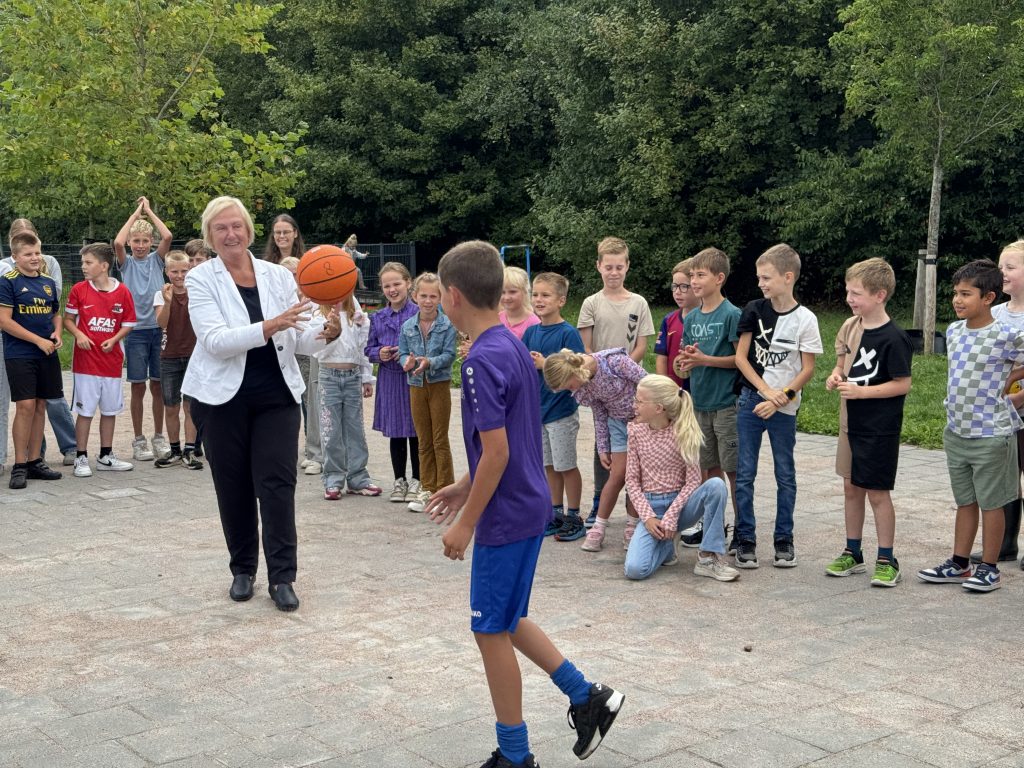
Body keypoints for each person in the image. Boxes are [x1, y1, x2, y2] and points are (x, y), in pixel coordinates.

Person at [426, 240, 623, 768]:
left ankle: (515, 757)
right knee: (509, 618)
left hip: (506, 514)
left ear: (452, 295)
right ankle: (588, 697)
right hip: (527, 502)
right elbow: (506, 440)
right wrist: (465, 486)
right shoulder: (509, 346)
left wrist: (465, 523)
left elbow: (498, 450)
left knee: (488, 628)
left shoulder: (478, 360)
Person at [182, 196, 339, 612]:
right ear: (210, 236)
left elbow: (298, 336)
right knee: (232, 487)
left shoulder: (277, 275)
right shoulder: (201, 279)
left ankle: (283, 576)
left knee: (277, 487)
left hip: (276, 397)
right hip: (220, 398)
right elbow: (214, 341)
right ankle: (242, 569)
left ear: (250, 231)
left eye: (237, 226)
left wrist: (327, 332)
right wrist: (269, 325)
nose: (231, 234)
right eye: (221, 228)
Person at [918, 259, 1024, 593]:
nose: (958, 300)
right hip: (957, 431)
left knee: (992, 503)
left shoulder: (1006, 334)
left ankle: (990, 568)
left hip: (991, 434)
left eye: (966, 294)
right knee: (966, 501)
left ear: (989, 297)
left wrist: (1013, 377)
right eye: (956, 293)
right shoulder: (953, 331)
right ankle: (959, 563)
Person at [824, 258, 912, 586]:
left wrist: (862, 393)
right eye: (848, 291)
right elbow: (841, 366)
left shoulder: (894, 338)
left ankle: (887, 558)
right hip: (850, 423)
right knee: (851, 487)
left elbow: (903, 384)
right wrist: (836, 377)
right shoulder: (850, 326)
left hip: (880, 427)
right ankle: (853, 552)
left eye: (856, 293)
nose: (849, 298)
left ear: (880, 295)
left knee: (877, 492)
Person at [733, 244, 822, 568]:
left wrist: (780, 397)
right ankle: (745, 540)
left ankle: (784, 540)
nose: (761, 283)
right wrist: (765, 391)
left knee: (785, 474)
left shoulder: (806, 320)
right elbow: (742, 358)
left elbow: (807, 368)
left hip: (784, 405)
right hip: (752, 401)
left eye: (766, 277)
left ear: (788, 277)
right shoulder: (754, 310)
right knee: (745, 474)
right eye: (759, 277)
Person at [623, 375, 739, 582]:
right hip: (652, 508)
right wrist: (648, 517)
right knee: (634, 570)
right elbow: (631, 480)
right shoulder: (635, 431)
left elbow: (693, 481)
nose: (634, 405)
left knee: (716, 485)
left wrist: (672, 516)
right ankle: (667, 545)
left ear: (659, 408)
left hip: (682, 506)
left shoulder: (685, 431)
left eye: (639, 401)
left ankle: (707, 557)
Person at [577, 236, 655, 527]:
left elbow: (641, 346)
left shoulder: (639, 303)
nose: (613, 272)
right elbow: (586, 348)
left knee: (636, 449)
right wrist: (604, 373)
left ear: (627, 267)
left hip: (634, 387)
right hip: (601, 387)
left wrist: (624, 371)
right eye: (608, 266)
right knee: (605, 446)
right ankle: (600, 500)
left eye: (618, 267)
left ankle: (633, 506)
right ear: (598, 267)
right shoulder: (590, 303)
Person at [543, 348, 647, 552]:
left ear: (572, 373)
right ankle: (598, 527)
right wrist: (602, 447)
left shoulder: (614, 363)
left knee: (638, 475)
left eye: (568, 385)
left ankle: (632, 526)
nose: (570, 391)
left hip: (643, 422)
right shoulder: (583, 386)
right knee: (617, 475)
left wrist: (645, 415)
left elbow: (648, 383)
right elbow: (599, 413)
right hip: (617, 424)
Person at [676, 247, 742, 551]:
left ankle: (743, 527)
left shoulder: (731, 314)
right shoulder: (690, 319)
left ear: (719, 278)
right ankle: (713, 525)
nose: (694, 281)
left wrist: (704, 360)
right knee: (708, 468)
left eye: (700, 275)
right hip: (699, 403)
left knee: (732, 469)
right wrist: (684, 362)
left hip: (726, 404)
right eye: (691, 275)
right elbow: (687, 359)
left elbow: (739, 360)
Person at [3, 219, 77, 467]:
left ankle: (36, 461)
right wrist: (37, 340)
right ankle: (20, 464)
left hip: (46, 352)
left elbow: (54, 313)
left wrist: (56, 333)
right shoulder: (7, 281)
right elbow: (4, 320)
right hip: (20, 352)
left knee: (42, 405)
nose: (34, 257)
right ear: (15, 256)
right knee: (25, 405)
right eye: (28, 254)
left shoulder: (47, 281)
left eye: (37, 253)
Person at [522, 272, 586, 542]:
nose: (539, 299)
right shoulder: (531, 331)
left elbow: (577, 368)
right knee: (548, 465)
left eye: (545, 295)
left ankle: (574, 516)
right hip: (539, 412)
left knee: (565, 465)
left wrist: (544, 363)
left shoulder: (568, 333)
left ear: (561, 300)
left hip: (561, 411)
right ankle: (554, 512)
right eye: (535, 294)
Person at [63, 243, 137, 477]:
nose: (83, 267)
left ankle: (106, 455)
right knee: (85, 412)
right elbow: (67, 320)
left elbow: (128, 324)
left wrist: (115, 339)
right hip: (86, 364)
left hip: (112, 363)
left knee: (109, 410)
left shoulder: (123, 291)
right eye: (83, 262)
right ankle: (81, 457)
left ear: (104, 266)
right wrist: (79, 334)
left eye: (88, 262)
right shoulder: (78, 290)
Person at [971, 239, 1024, 566]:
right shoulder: (995, 314)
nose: (1002, 273)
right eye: (1000, 266)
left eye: (1011, 267)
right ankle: (1005, 544)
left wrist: (1018, 397)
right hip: (1001, 413)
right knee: (1007, 478)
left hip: (1018, 404)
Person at [114, 196, 173, 462]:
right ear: (130, 243)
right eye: (135, 240)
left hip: (158, 329)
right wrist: (135, 213)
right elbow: (116, 242)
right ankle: (138, 439)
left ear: (150, 243)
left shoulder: (156, 261)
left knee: (158, 386)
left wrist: (149, 210)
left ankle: (158, 436)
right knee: (138, 386)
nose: (139, 245)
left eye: (144, 241)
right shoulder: (125, 262)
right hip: (135, 332)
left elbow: (168, 235)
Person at [399, 272, 456, 512]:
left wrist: (429, 362)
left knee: (439, 439)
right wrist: (407, 362)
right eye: (424, 295)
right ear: (415, 296)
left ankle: (445, 491)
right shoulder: (407, 326)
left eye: (434, 296)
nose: (428, 301)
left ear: (440, 298)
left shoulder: (448, 325)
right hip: (416, 386)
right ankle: (428, 488)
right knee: (423, 440)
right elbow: (403, 352)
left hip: (439, 384)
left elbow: (450, 355)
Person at [365, 262, 421, 505]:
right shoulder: (377, 317)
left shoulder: (420, 313)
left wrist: (410, 352)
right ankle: (399, 480)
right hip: (389, 380)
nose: (392, 289)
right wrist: (380, 353)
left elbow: (428, 344)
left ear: (408, 283)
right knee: (396, 432)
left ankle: (419, 479)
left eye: (397, 283)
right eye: (387, 285)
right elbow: (368, 349)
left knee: (417, 430)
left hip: (415, 379)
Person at [315, 294, 380, 499]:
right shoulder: (318, 313)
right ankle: (333, 479)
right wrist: (331, 329)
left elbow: (363, 348)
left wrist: (366, 377)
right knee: (331, 430)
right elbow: (316, 349)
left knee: (355, 429)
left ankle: (358, 477)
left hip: (352, 377)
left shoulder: (356, 314)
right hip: (328, 377)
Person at [153, 251, 203, 470]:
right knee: (171, 406)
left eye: (184, 270)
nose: (180, 275)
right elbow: (162, 323)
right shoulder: (161, 294)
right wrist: (168, 302)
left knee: (190, 406)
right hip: (169, 356)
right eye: (175, 271)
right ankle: (174, 449)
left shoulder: (198, 292)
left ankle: (190, 449)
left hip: (194, 355)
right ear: (167, 272)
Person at [280, 255, 324, 475]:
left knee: (312, 403)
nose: (291, 279)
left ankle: (315, 451)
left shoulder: (314, 298)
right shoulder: (279, 299)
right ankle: (306, 450)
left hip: (310, 356)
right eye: (286, 274)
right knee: (292, 403)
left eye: (295, 275)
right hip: (288, 356)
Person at [654, 257, 699, 391]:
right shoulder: (669, 320)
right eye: (674, 286)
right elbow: (661, 358)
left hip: (700, 391)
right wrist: (664, 388)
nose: (677, 292)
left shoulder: (709, 319)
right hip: (673, 391)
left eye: (684, 286)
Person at [499, 266, 540, 340]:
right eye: (502, 292)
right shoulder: (496, 319)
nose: (507, 297)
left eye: (512, 292)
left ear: (525, 291)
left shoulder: (534, 324)